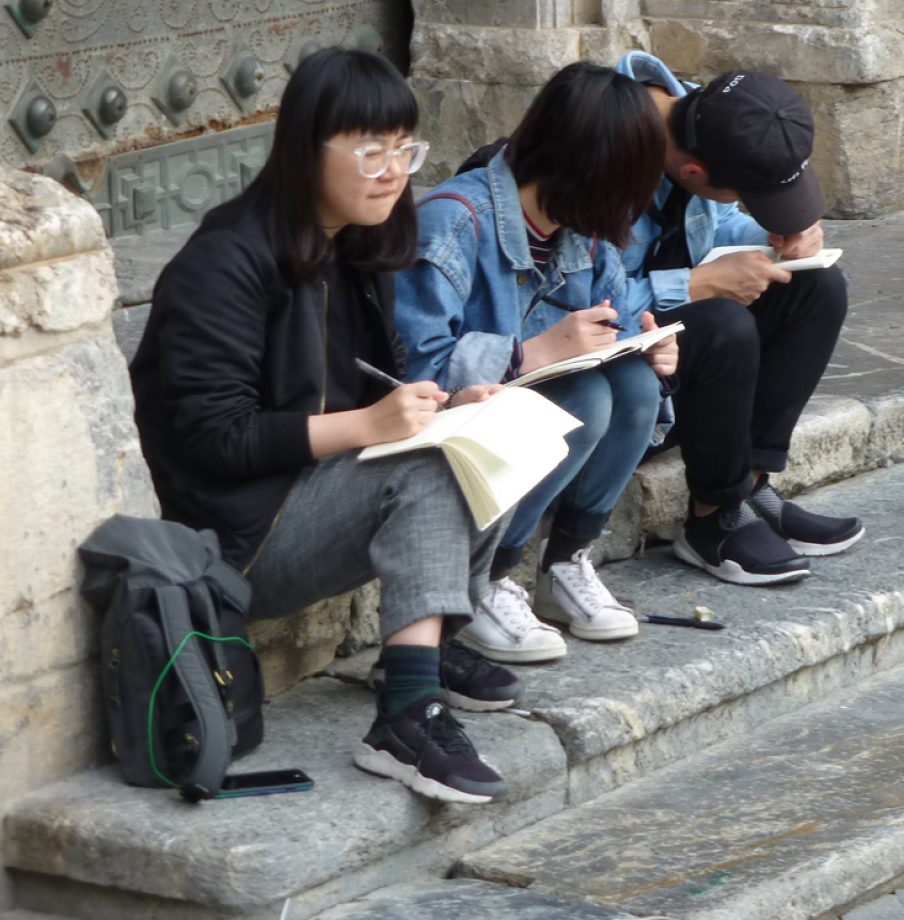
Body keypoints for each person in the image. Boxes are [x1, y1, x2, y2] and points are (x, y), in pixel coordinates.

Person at [130, 49, 516, 805]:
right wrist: (369, 425)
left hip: (310, 498)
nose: (393, 170)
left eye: (404, 149)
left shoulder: (356, 246)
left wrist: (436, 407)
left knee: (482, 434)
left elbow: (373, 387)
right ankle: (406, 714)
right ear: (307, 148)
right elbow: (214, 436)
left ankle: (427, 656)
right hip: (233, 539)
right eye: (369, 150)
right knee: (426, 469)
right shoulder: (225, 260)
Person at [394, 64, 678, 662]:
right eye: (626, 183)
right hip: (448, 428)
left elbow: (618, 312)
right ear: (583, 167)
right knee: (586, 398)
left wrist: (649, 341)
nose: (632, 205)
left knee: (633, 385)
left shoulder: (584, 230)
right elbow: (415, 372)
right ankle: (487, 578)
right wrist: (536, 352)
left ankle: (565, 561)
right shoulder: (454, 222)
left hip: (523, 415)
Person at [613, 53, 859, 586]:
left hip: (675, 366)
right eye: (749, 194)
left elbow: (715, 222)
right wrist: (698, 285)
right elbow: (580, 305)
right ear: (693, 172)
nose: (750, 204)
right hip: (612, 383)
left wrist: (778, 238)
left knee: (815, 285)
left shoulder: (706, 114)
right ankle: (714, 518)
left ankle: (748, 484)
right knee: (723, 321)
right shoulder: (598, 148)